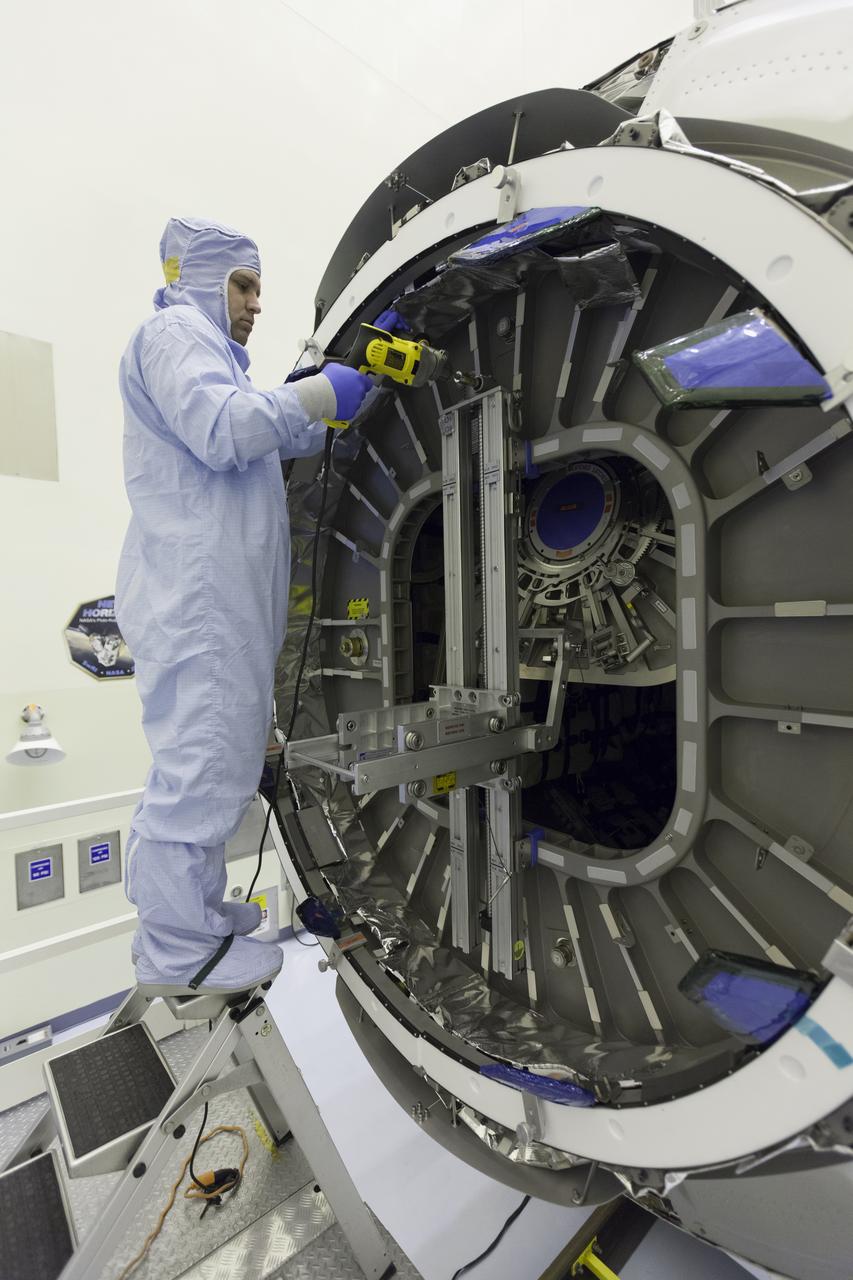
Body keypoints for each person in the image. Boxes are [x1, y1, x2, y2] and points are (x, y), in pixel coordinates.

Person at [116, 216, 372, 995]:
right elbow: (226, 431)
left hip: (216, 605)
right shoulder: (173, 338)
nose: (256, 302)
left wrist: (331, 406)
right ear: (197, 279)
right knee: (200, 774)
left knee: (216, 771)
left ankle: (197, 918)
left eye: (258, 287)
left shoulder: (209, 360)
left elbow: (257, 432)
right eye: (244, 284)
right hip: (199, 605)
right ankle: (175, 951)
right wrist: (324, 390)